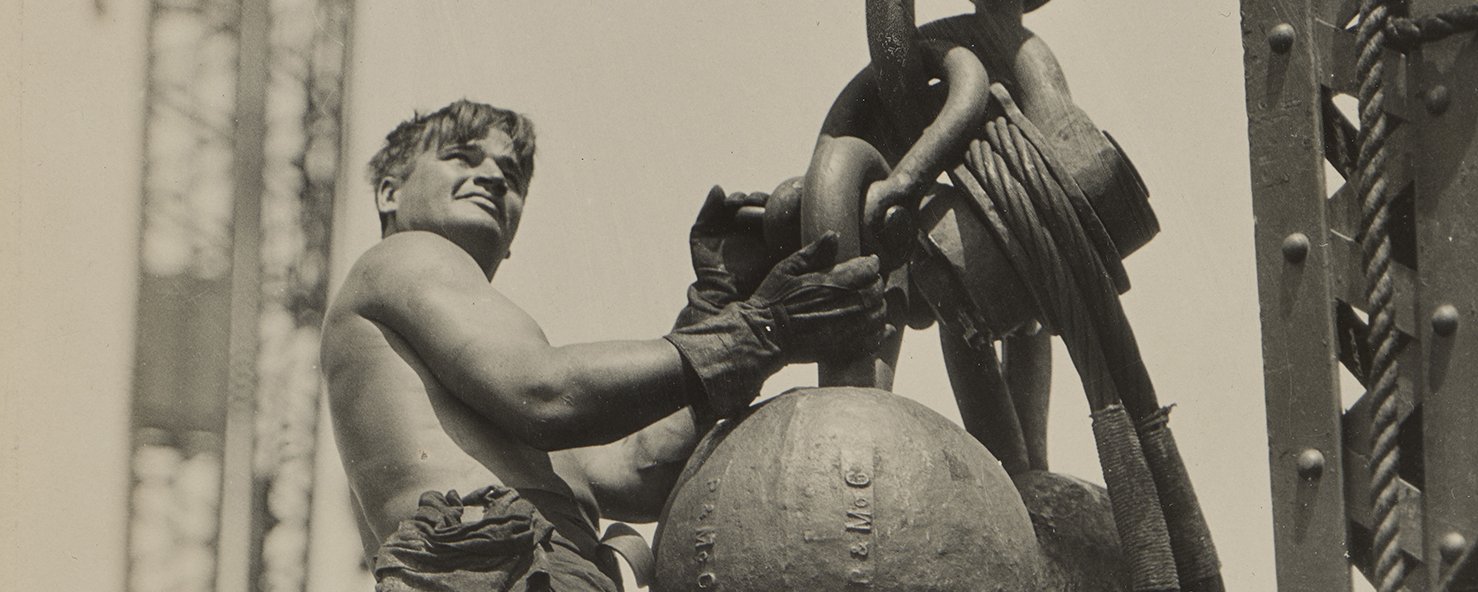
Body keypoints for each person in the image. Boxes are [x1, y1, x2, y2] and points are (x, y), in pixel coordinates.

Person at [321, 100, 888, 591]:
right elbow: (545, 393)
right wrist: (760, 329)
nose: (493, 176)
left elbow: (640, 470)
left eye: (510, 172)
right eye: (462, 157)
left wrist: (719, 303)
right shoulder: (403, 257)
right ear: (390, 192)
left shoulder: (471, 364)